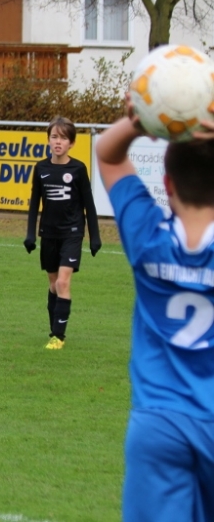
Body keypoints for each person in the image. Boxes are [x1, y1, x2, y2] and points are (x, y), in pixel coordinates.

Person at [96, 109, 214, 522]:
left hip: (159, 424)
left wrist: (142, 118)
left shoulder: (147, 236)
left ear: (167, 184)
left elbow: (107, 154)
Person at [24, 116, 101, 349]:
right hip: (49, 233)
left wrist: (95, 236)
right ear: (48, 140)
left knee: (63, 282)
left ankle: (58, 336)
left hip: (72, 233)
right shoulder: (41, 168)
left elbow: (89, 205)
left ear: (72, 143)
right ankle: (54, 329)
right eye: (54, 137)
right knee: (53, 283)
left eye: (63, 138)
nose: (58, 142)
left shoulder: (78, 169)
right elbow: (34, 203)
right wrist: (30, 234)